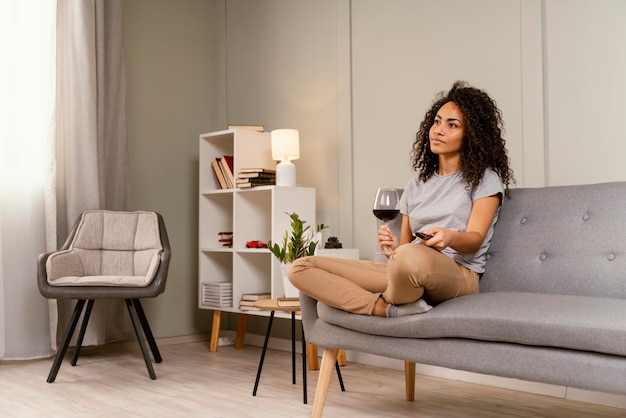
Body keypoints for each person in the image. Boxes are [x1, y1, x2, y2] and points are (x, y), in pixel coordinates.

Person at [288, 81, 514, 317]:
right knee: (301, 268)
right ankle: (385, 309)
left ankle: (393, 298)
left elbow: (475, 240)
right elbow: (405, 248)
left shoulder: (484, 179)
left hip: (458, 274)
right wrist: (392, 251)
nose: (438, 130)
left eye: (452, 125)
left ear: (472, 136)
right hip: (409, 268)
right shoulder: (415, 186)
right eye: (436, 121)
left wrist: (449, 237)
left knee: (407, 258)